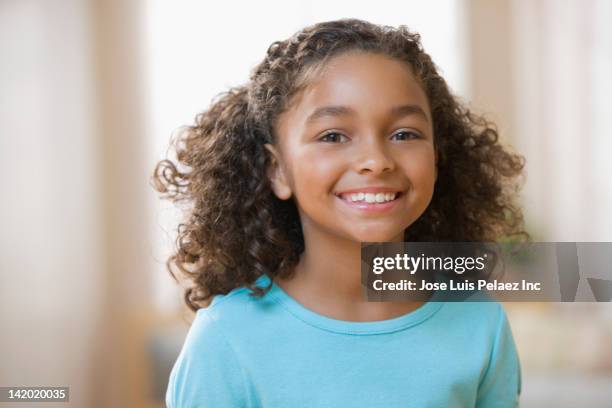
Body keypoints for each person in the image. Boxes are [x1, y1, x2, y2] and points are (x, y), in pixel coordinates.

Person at [153, 18, 528, 408]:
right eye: (333, 136)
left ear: (436, 157)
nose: (376, 160)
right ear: (277, 170)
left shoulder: (479, 324)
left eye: (404, 134)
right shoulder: (226, 339)